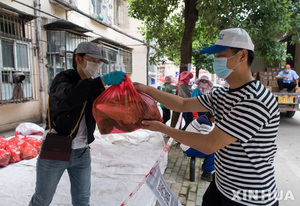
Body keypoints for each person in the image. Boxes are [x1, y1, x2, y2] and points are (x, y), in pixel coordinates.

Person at [134, 28, 279, 206]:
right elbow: (182, 104)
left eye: (221, 55)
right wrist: (146, 89)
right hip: (222, 184)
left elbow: (209, 144)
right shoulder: (224, 93)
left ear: (242, 56)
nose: (216, 61)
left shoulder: (254, 100)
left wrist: (163, 128)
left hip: (248, 195)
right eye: (216, 56)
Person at [29, 42, 125, 206]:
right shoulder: (63, 79)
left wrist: (123, 96)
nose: (97, 65)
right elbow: (68, 97)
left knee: (82, 200)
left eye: (99, 62)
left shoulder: (96, 86)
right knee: (42, 200)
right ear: (78, 59)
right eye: (93, 60)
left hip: (82, 153)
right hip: (55, 149)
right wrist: (102, 80)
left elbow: (106, 112)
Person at [180, 112, 215, 182]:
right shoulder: (205, 123)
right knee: (214, 151)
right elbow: (207, 140)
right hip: (189, 148)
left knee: (212, 148)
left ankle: (206, 166)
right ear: (213, 116)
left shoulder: (204, 118)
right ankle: (207, 173)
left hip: (188, 145)